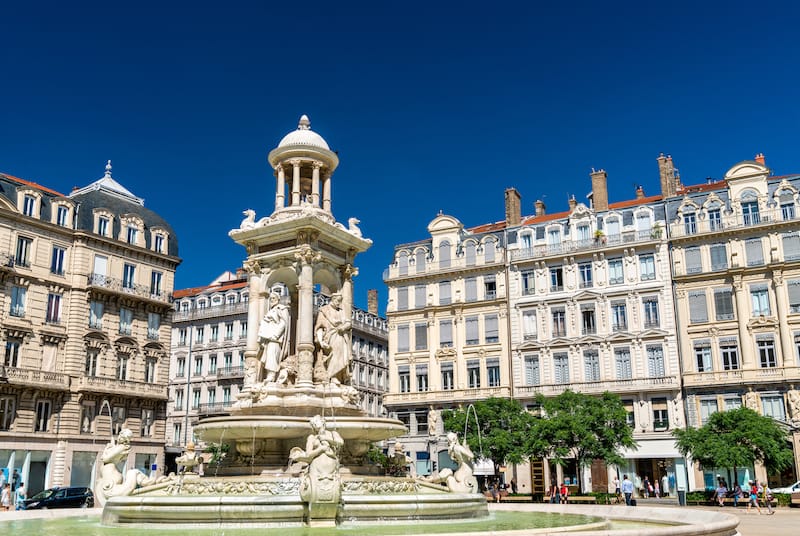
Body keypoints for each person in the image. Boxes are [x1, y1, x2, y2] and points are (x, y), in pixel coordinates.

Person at [314, 293, 352, 385]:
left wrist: (343, 328)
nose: (339, 303)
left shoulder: (341, 311)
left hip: (341, 336)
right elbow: (319, 327)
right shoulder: (324, 310)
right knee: (334, 354)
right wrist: (321, 341)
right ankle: (333, 376)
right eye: (338, 301)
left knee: (343, 355)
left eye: (340, 301)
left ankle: (339, 376)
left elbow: (348, 323)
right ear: (333, 299)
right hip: (330, 336)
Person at [257, 291, 291, 383]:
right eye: (271, 298)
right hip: (267, 338)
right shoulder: (270, 311)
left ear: (278, 299)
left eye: (274, 298)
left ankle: (271, 376)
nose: (272, 300)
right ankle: (269, 376)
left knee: (272, 356)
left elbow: (284, 323)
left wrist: (275, 335)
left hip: (275, 338)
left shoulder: (281, 309)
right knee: (267, 357)